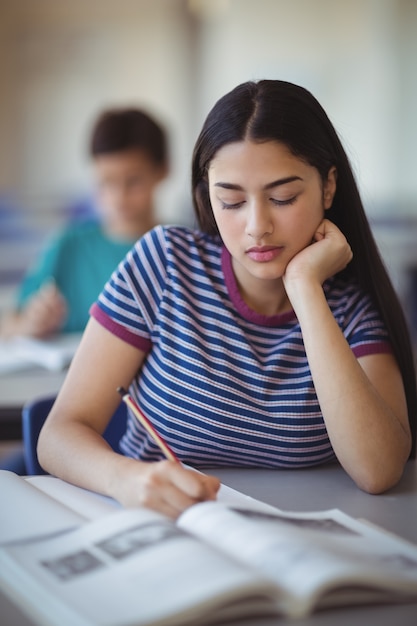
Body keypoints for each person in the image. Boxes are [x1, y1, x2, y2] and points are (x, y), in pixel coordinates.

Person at [37, 80, 416, 519]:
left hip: (294, 542)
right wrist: (125, 478)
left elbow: (379, 470)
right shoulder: (164, 265)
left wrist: (306, 289)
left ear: (328, 187)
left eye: (282, 197)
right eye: (231, 201)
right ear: (207, 197)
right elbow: (60, 434)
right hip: (161, 525)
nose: (257, 225)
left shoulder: (349, 305)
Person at [0, 107, 168, 339]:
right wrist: (30, 324)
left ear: (162, 171)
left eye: (134, 181)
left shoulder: (178, 247)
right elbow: (10, 323)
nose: (119, 197)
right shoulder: (69, 245)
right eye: (107, 181)